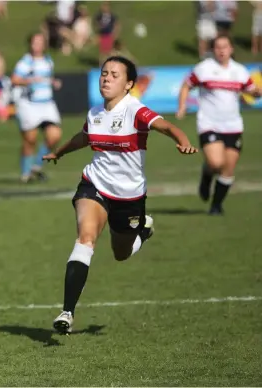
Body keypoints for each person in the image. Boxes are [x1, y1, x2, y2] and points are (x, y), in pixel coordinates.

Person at [43, 56, 198, 334]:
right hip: (95, 185)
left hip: (129, 198)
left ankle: (143, 232)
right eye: (104, 73)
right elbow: (85, 137)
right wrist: (60, 152)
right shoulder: (95, 113)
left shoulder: (136, 111)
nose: (106, 78)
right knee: (86, 238)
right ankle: (67, 311)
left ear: (128, 84)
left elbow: (167, 127)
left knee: (121, 253)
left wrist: (182, 141)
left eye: (114, 75)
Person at [177, 35, 261, 215]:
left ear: (231, 49)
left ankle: (216, 205)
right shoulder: (204, 69)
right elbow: (186, 86)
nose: (222, 50)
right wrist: (182, 107)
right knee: (216, 163)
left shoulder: (240, 71)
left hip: (233, 125)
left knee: (228, 169)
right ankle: (207, 175)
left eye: (225, 46)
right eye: (218, 47)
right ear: (213, 50)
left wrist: (257, 93)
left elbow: (252, 92)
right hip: (209, 123)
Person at [11, 32, 62, 183]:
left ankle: (36, 166)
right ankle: (26, 173)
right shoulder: (26, 62)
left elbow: (46, 78)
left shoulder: (48, 60)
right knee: (30, 139)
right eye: (35, 42)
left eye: (40, 42)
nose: (38, 45)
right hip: (29, 105)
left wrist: (53, 82)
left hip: (47, 103)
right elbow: (15, 79)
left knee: (55, 135)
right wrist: (29, 80)